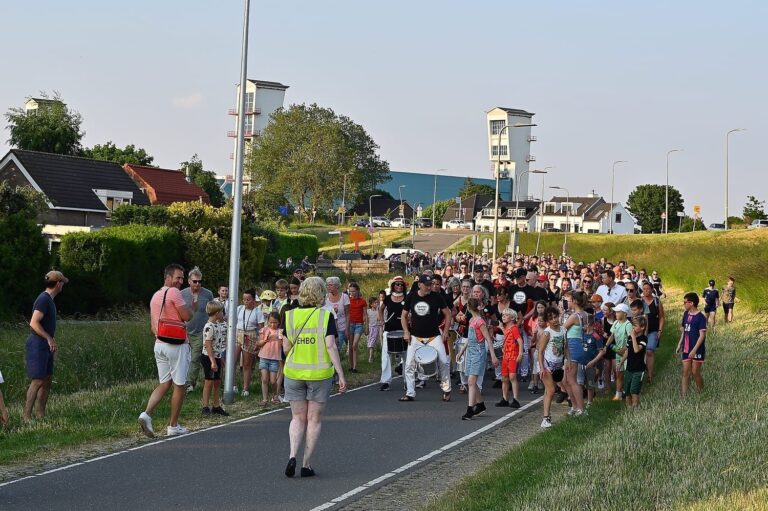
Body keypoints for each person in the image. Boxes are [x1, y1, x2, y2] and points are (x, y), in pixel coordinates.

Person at [282, 277, 346, 478]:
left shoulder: (290, 316)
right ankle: (306, 463)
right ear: (321, 294)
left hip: (293, 372)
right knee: (314, 419)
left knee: (297, 417)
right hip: (319, 373)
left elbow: (285, 347)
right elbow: (330, 346)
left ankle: (292, 454)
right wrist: (340, 373)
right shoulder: (325, 316)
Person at [138, 263, 193, 437]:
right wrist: (191, 308)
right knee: (180, 384)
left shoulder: (155, 295)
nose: (180, 281)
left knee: (164, 382)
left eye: (182, 278)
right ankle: (173, 425)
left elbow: (153, 325)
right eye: (178, 277)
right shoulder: (174, 293)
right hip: (176, 344)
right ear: (167, 277)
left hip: (159, 343)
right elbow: (187, 316)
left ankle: (146, 414)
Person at [400, 274, 453, 402]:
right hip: (415, 336)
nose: (430, 287)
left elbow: (448, 314)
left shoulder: (437, 296)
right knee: (409, 365)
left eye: (431, 284)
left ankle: (446, 390)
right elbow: (403, 316)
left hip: (434, 336)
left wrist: (445, 331)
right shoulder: (411, 296)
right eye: (427, 285)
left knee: (443, 361)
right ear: (420, 285)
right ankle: (410, 393)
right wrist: (406, 331)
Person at [23, 270, 68, 422]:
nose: (63, 286)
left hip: (45, 344)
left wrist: (51, 342)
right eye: (62, 283)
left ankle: (40, 415)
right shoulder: (43, 299)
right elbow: (34, 322)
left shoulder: (49, 300)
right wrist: (49, 338)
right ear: (58, 283)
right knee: (37, 380)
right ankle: (27, 417)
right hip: (38, 343)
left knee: (47, 380)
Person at [456, 297, 499, 419]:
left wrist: (494, 356)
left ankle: (470, 410)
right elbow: (470, 338)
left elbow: (488, 340)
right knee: (472, 382)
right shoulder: (472, 320)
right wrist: (462, 351)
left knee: (471, 381)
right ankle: (480, 404)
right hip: (471, 352)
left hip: (478, 353)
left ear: (469, 308)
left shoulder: (480, 322)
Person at [181, 267, 214, 393]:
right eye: (195, 281)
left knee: (195, 357)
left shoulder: (207, 294)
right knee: (184, 358)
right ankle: (180, 381)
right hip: (185, 330)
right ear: (189, 281)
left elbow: (212, 310)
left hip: (201, 331)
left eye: (200, 281)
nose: (197, 284)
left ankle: (190, 383)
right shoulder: (182, 294)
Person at [538, 306, 566, 429]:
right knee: (551, 390)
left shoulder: (563, 330)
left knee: (548, 391)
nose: (554, 320)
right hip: (547, 365)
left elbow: (566, 347)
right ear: (547, 321)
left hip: (559, 364)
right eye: (551, 319)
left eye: (555, 317)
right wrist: (541, 367)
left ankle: (546, 416)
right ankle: (546, 418)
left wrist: (568, 360)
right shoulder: (547, 333)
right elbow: (540, 351)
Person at [200, 301, 229, 416]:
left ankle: (216, 405)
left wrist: (219, 358)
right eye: (221, 311)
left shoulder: (217, 325)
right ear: (217, 313)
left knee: (217, 381)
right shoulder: (209, 327)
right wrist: (213, 361)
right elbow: (208, 345)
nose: (223, 313)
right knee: (209, 381)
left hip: (216, 356)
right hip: (208, 357)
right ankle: (205, 406)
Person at [234, 289, 264, 397]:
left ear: (253, 300)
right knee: (233, 360)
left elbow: (261, 329)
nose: (245, 302)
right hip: (238, 333)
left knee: (247, 363)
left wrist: (260, 342)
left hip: (250, 335)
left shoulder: (257, 311)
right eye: (244, 299)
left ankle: (245, 388)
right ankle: (233, 385)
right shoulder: (239, 309)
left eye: (248, 299)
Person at [677, 292, 707, 396]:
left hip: (697, 349)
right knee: (686, 372)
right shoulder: (685, 314)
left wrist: (694, 350)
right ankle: (684, 396)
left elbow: (702, 335)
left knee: (695, 372)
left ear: (692, 303)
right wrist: (680, 343)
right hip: (686, 348)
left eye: (685, 302)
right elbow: (684, 330)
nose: (684, 304)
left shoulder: (701, 317)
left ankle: (701, 392)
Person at [379, 277, 407, 391]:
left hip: (404, 330)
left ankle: (407, 381)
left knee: (406, 357)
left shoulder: (407, 298)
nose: (399, 286)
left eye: (401, 284)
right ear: (393, 286)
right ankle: (386, 381)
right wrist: (382, 321)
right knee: (386, 356)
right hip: (389, 330)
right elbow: (380, 309)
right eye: (397, 284)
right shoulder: (388, 298)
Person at [496, 308, 523, 409]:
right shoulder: (508, 328)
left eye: (506, 315)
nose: (503, 317)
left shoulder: (514, 328)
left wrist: (520, 353)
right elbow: (507, 335)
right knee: (504, 378)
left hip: (512, 355)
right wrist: (501, 328)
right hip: (506, 356)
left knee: (512, 377)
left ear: (512, 318)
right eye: (503, 315)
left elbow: (519, 341)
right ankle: (505, 398)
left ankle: (515, 399)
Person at [621, 316, 648, 408]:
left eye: (635, 326)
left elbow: (636, 350)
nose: (633, 328)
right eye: (632, 326)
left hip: (638, 369)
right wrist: (621, 362)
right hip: (629, 368)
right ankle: (629, 408)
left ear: (642, 327)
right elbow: (628, 351)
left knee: (634, 390)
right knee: (627, 390)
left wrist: (633, 337)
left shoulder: (643, 339)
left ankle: (635, 407)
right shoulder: (630, 338)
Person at [641, 281, 665, 383]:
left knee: (649, 351)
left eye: (648, 289)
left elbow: (661, 317)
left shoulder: (656, 301)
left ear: (651, 289)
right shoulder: (640, 301)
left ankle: (650, 375)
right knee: (641, 352)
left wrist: (660, 330)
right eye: (644, 289)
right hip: (641, 331)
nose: (646, 291)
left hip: (653, 330)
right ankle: (645, 369)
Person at [258, 312, 283, 405]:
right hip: (264, 357)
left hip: (275, 358)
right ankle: (265, 399)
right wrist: (265, 340)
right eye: (271, 322)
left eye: (275, 322)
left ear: (279, 322)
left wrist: (279, 339)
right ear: (268, 322)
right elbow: (258, 343)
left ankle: (275, 395)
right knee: (264, 379)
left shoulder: (280, 331)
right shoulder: (264, 330)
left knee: (273, 381)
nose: (273, 324)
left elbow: (282, 344)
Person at [324, 276, 350, 356]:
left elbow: (348, 314)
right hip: (330, 327)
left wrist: (347, 328)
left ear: (337, 286)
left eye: (331, 285)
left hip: (342, 327)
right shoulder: (325, 297)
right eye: (327, 285)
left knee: (343, 347)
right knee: (335, 348)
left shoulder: (344, 297)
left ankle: (350, 364)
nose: (328, 287)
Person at [347, 283, 367, 372]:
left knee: (355, 345)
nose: (352, 293)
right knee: (350, 346)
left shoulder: (362, 301)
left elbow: (365, 314)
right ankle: (351, 366)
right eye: (350, 291)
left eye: (353, 291)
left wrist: (366, 326)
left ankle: (355, 367)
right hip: (350, 324)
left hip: (359, 324)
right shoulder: (347, 300)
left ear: (357, 291)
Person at [366, 297, 382, 364]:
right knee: (371, 342)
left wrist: (378, 309)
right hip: (370, 328)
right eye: (375, 303)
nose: (377, 304)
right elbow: (366, 320)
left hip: (376, 327)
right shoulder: (368, 311)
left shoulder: (378, 311)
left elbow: (379, 318)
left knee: (373, 342)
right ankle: (371, 356)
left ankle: (371, 357)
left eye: (377, 302)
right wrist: (366, 328)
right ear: (371, 304)